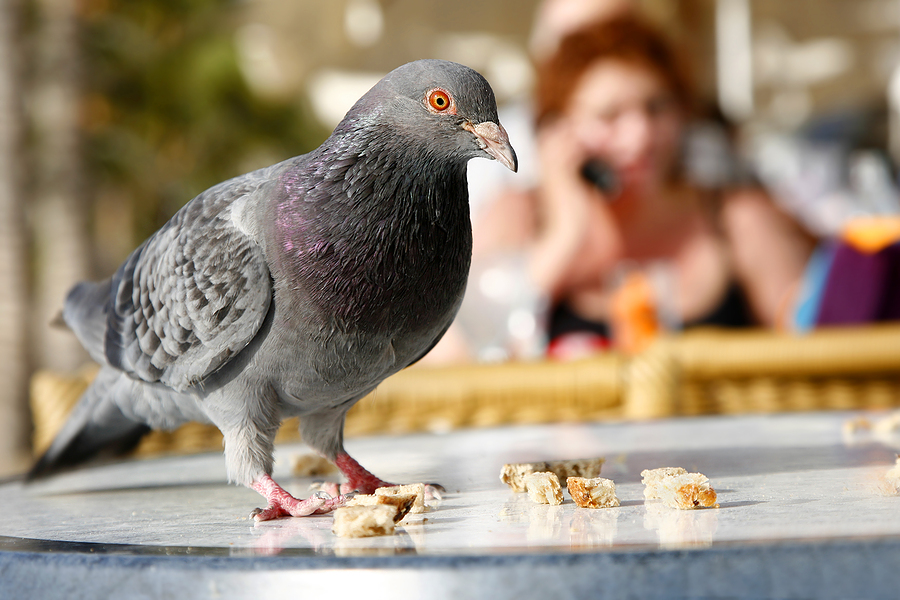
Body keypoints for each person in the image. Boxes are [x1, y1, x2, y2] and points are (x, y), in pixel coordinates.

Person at [429, 13, 815, 363]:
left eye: (656, 108)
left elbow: (819, 338)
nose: (640, 136)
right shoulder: (518, 216)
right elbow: (448, 357)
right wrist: (565, 236)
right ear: (555, 131)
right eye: (609, 115)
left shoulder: (732, 218)